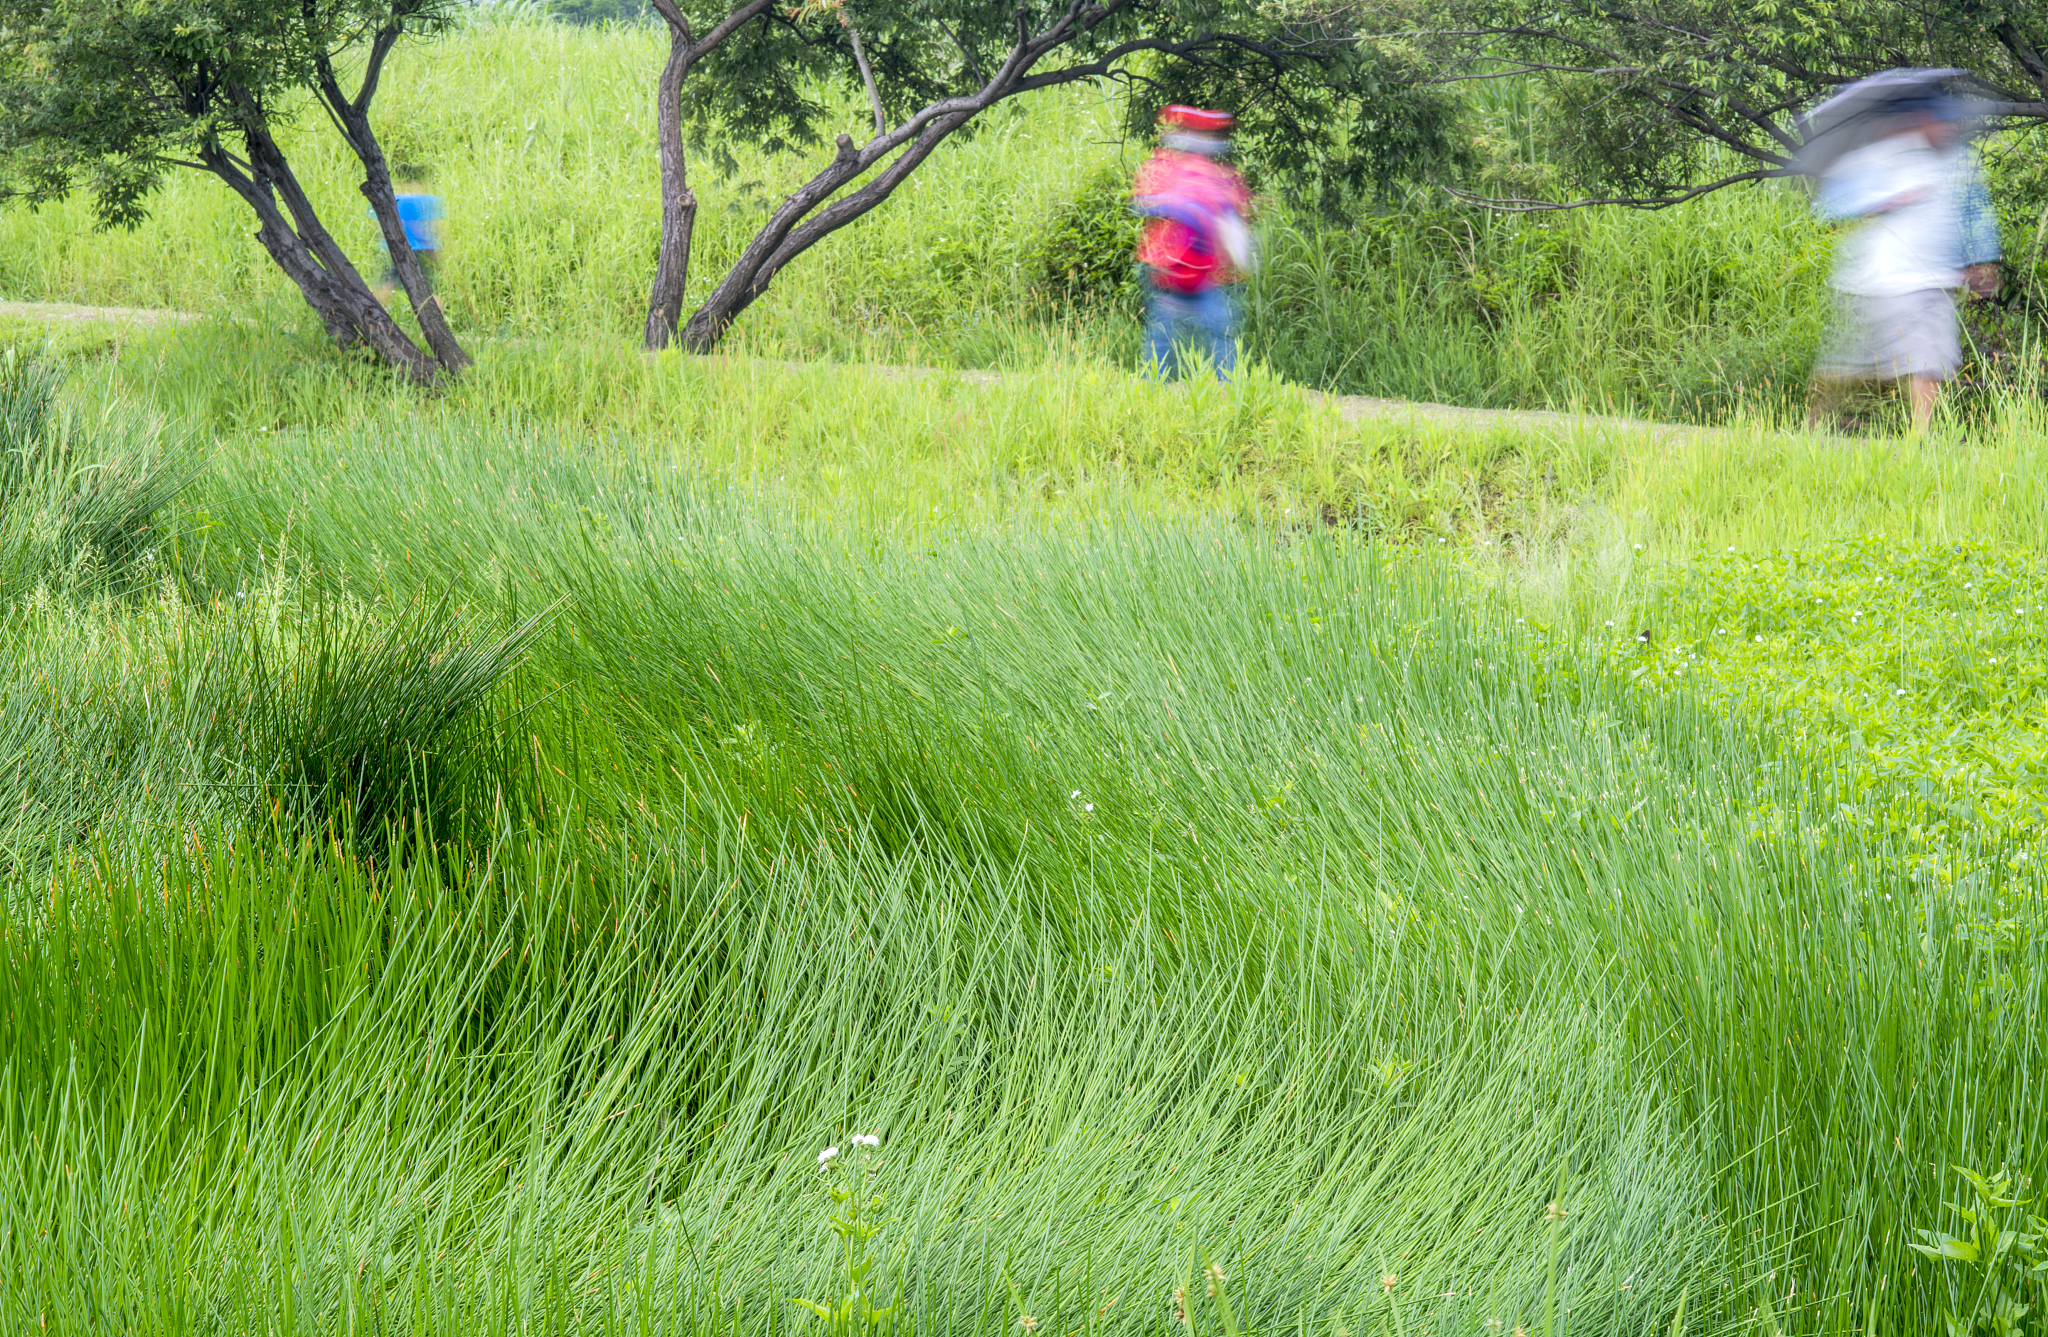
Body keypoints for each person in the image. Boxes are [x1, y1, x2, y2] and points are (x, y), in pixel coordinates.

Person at [1807, 94, 1999, 434]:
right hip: (1880, 280)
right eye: (1940, 122)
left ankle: (1920, 438)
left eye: (1952, 124)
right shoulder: (1885, 153)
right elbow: (1831, 203)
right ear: (1921, 118)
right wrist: (1886, 200)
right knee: (1863, 366)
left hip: (1934, 280)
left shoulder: (1959, 161)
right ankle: (1820, 420)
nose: (1947, 129)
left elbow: (1975, 212)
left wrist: (1979, 261)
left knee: (1930, 359)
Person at [1130, 106, 1252, 381]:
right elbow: (1141, 202)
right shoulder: (1162, 166)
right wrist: (1181, 205)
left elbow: (1237, 211)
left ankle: (1229, 393)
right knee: (1163, 334)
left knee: (1219, 330)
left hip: (1208, 273)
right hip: (1167, 270)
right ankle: (1152, 392)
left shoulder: (1221, 174)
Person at [375, 167, 446, 299]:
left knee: (389, 283)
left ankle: (371, 312)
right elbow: (435, 229)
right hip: (420, 249)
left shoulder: (394, 200)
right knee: (429, 290)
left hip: (395, 248)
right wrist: (435, 253)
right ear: (420, 183)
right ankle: (437, 317)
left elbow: (378, 225)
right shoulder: (428, 201)